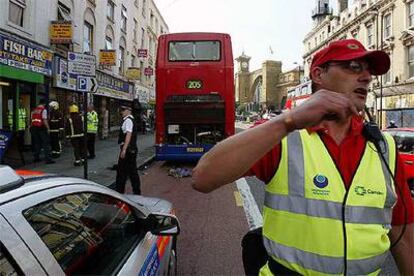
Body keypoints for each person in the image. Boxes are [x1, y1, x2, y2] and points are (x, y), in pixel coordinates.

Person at [192, 39, 414, 275]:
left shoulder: (383, 147)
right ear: (318, 74)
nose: (367, 77)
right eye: (353, 67)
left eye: (369, 71)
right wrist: (287, 121)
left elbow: (404, 235)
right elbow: (203, 177)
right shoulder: (282, 136)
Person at [115, 102, 141, 195]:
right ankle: (136, 192)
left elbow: (128, 135)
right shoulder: (130, 120)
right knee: (132, 171)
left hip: (128, 149)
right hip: (131, 149)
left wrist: (124, 149)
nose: (121, 112)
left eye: (123, 110)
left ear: (129, 111)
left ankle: (119, 192)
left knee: (122, 172)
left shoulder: (128, 120)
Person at [30, 99, 55, 164]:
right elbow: (44, 120)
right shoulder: (44, 110)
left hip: (34, 128)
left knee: (37, 143)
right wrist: (48, 128)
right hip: (41, 128)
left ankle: (36, 157)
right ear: (44, 104)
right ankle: (48, 159)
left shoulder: (34, 110)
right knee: (46, 143)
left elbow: (31, 119)